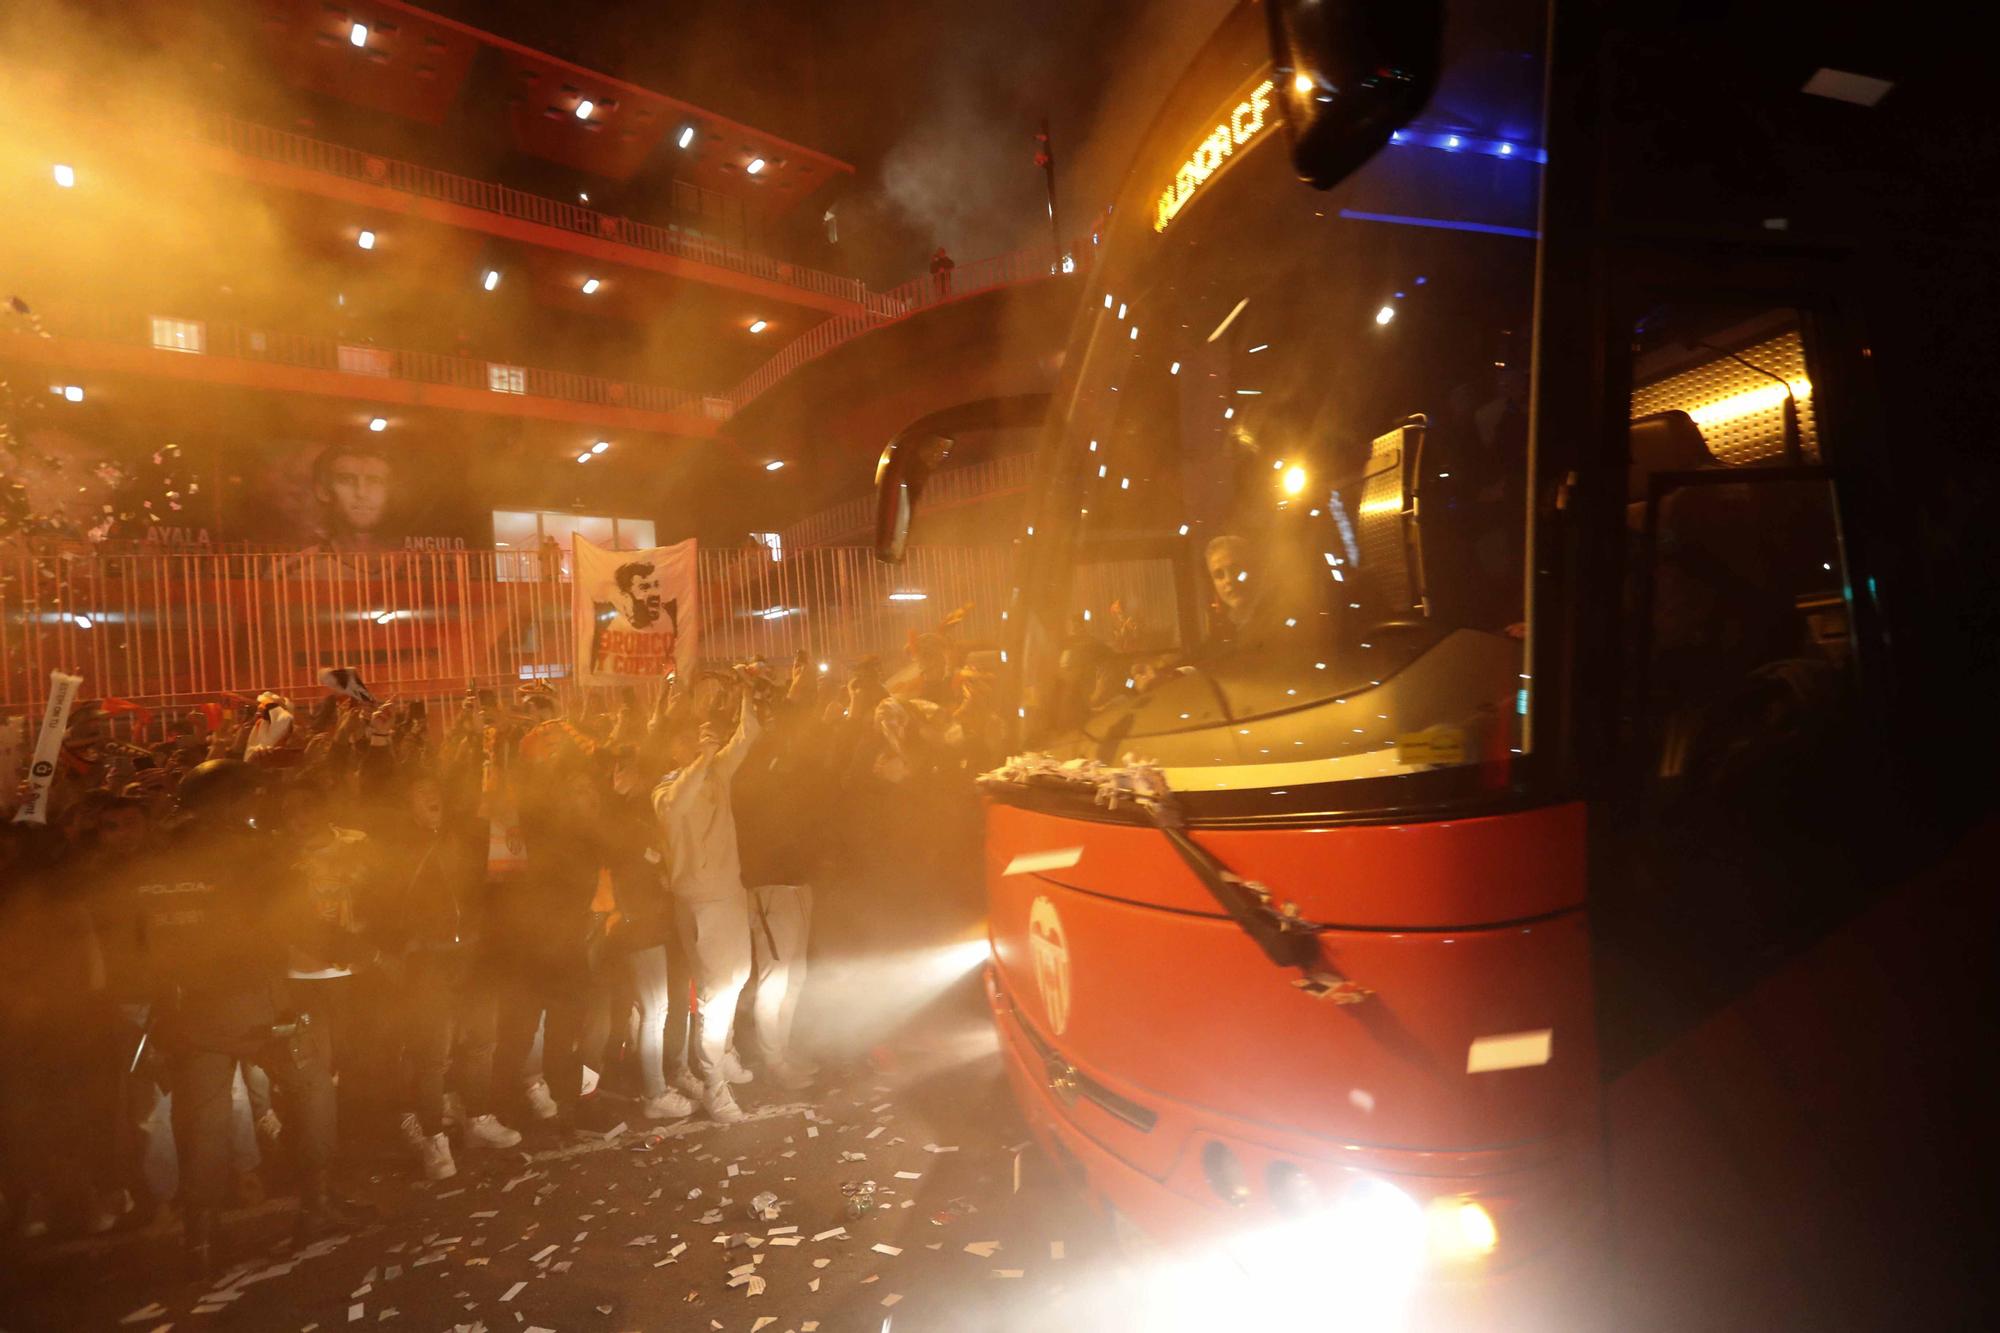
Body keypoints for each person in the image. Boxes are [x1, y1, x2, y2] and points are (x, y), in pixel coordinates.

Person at [138, 760, 354, 1276]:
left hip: (189, 1007)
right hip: (262, 1003)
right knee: (311, 1091)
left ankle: (202, 1240)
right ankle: (317, 1208)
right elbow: (293, 922)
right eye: (249, 796)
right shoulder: (260, 854)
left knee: (202, 1123)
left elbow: (139, 941)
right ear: (232, 801)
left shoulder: (153, 859)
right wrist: (352, 949)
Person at [652, 671, 760, 1123]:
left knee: (736, 980)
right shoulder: (665, 788)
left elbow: (748, 736)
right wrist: (704, 758)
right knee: (715, 996)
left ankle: (724, 1055)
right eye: (690, 743)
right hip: (700, 902)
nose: (702, 746)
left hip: (730, 892)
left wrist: (747, 697)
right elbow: (677, 802)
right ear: (676, 750)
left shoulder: (716, 773)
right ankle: (714, 1087)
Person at [309, 444, 394, 551]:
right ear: (323, 492)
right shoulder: (303, 566)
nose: (361, 493)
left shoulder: (418, 560)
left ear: (391, 492)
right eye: (347, 480)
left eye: (375, 481)